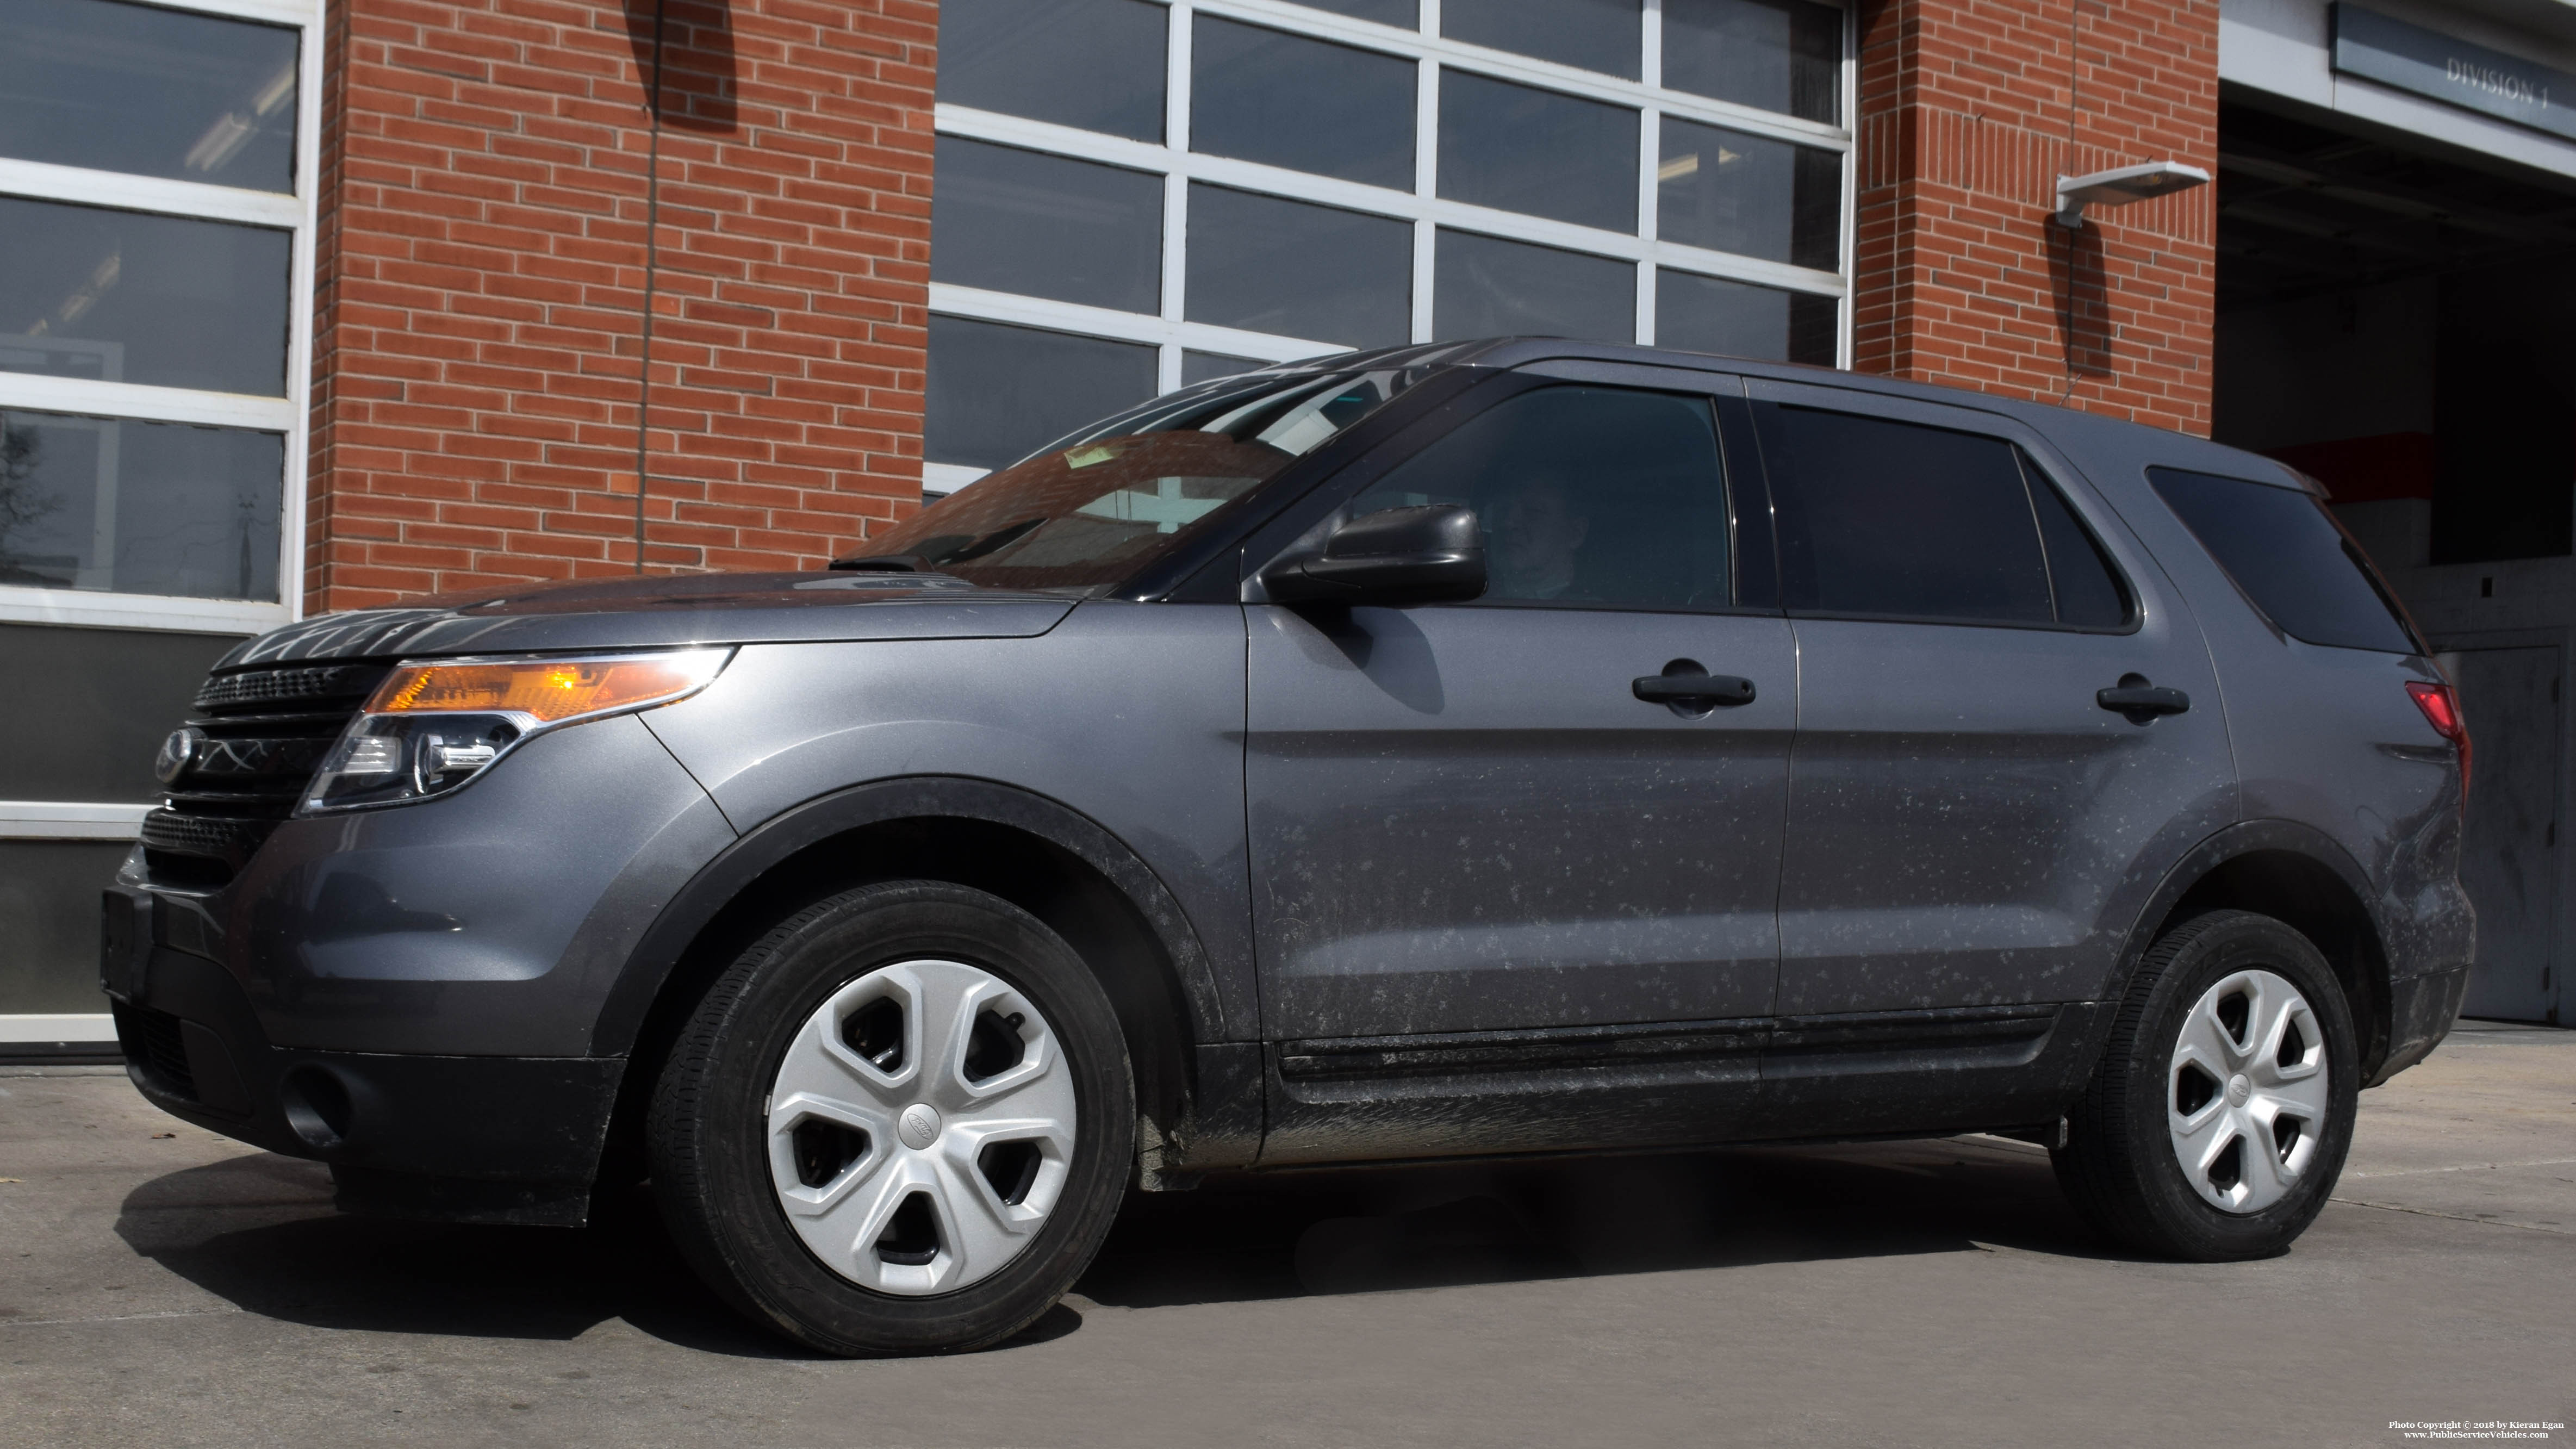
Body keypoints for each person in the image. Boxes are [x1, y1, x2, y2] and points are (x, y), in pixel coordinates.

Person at [1485, 473, 1591, 602]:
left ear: (1575, 533)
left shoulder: (1596, 617)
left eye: (1533, 511)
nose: (1508, 522)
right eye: (1502, 509)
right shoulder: (1465, 603)